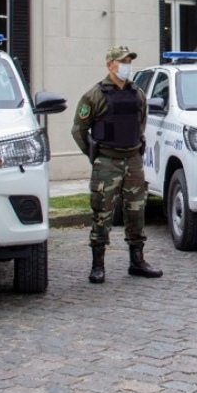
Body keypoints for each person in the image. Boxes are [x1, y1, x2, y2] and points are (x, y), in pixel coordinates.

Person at [71, 46, 162, 284]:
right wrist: (95, 154)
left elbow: (141, 122)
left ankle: (137, 261)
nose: (127, 65)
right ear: (110, 65)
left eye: (130, 60)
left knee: (136, 211)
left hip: (133, 160)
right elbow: (79, 130)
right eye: (123, 61)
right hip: (107, 162)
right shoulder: (95, 95)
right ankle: (98, 265)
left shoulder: (137, 93)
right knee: (102, 213)